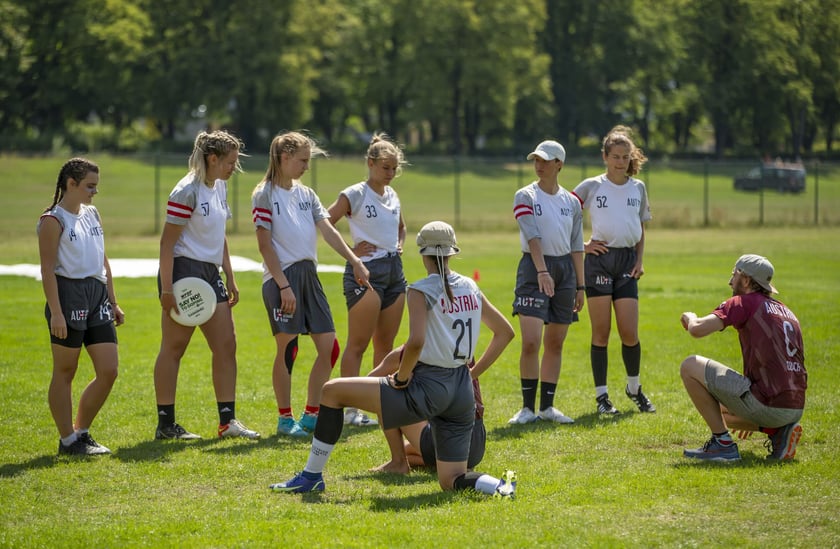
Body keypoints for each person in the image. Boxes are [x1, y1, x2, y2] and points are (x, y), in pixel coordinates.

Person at [269, 221, 518, 497]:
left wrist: (401, 378)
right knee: (451, 479)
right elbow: (505, 333)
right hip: (461, 392)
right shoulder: (471, 286)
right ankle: (498, 485)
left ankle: (311, 476)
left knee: (331, 391)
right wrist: (471, 374)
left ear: (423, 254)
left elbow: (416, 342)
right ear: (452, 253)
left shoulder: (421, 289)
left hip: (431, 387)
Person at [251, 131, 371, 438]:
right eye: (303, 160)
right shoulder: (263, 194)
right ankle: (284, 419)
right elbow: (265, 246)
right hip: (283, 279)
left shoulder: (307, 194)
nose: (306, 166)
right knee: (288, 348)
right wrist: (282, 285)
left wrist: (354, 260)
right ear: (284, 157)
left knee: (329, 347)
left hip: (309, 275)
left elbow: (328, 231)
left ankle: (311, 415)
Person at [153, 130, 259, 441]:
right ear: (212, 159)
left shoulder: (220, 186)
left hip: (211, 275)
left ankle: (227, 423)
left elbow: (219, 235)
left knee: (227, 346)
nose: (233, 168)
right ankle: (166, 425)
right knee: (173, 349)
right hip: (184, 274)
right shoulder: (186, 191)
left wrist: (229, 273)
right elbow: (166, 244)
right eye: (229, 162)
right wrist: (168, 289)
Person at [679, 254, 806, 462]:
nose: (730, 281)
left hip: (767, 403)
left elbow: (697, 330)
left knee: (689, 366)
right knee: (720, 410)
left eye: (734, 275)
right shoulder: (787, 311)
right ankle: (778, 433)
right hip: (795, 406)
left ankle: (723, 444)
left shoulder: (743, 302)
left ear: (746, 280)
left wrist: (690, 316)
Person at [38, 158, 124, 456]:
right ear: (70, 184)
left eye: (96, 186)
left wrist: (113, 301)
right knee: (65, 370)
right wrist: (57, 312)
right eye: (90, 186)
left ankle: (82, 431)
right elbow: (47, 270)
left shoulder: (92, 213)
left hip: (96, 295)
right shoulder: (52, 220)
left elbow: (103, 258)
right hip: (68, 295)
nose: (94, 192)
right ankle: (67, 441)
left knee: (109, 369)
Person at [572, 125, 656, 415]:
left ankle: (634, 388)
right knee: (601, 332)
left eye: (625, 156)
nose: (621, 161)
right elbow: (564, 212)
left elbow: (641, 228)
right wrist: (582, 245)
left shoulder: (638, 188)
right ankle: (602, 397)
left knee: (629, 332)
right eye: (615, 156)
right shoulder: (592, 186)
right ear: (605, 157)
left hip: (627, 262)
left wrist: (640, 259)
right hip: (599, 261)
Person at [327, 133, 408, 428]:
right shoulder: (356, 194)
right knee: (358, 344)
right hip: (366, 273)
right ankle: (350, 409)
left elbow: (402, 227)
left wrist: (399, 243)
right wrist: (352, 253)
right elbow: (325, 221)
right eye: (386, 167)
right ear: (371, 164)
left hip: (395, 272)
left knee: (385, 346)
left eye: (394, 168)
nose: (391, 174)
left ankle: (378, 403)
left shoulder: (393, 195)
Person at [509, 140, 584, 425]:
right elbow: (533, 237)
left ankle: (547, 407)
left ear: (559, 165)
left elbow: (577, 245)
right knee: (531, 341)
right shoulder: (525, 195)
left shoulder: (572, 202)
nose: (539, 164)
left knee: (556, 342)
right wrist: (542, 272)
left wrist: (580, 285)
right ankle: (527, 408)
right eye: (536, 159)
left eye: (545, 160)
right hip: (533, 268)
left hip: (565, 270)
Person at [368, 346, 486, 474]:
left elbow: (370, 382)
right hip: (476, 443)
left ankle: (398, 462)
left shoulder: (416, 348)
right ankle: (451, 465)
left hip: (446, 438)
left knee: (384, 395)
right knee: (408, 449)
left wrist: (397, 379)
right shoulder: (465, 344)